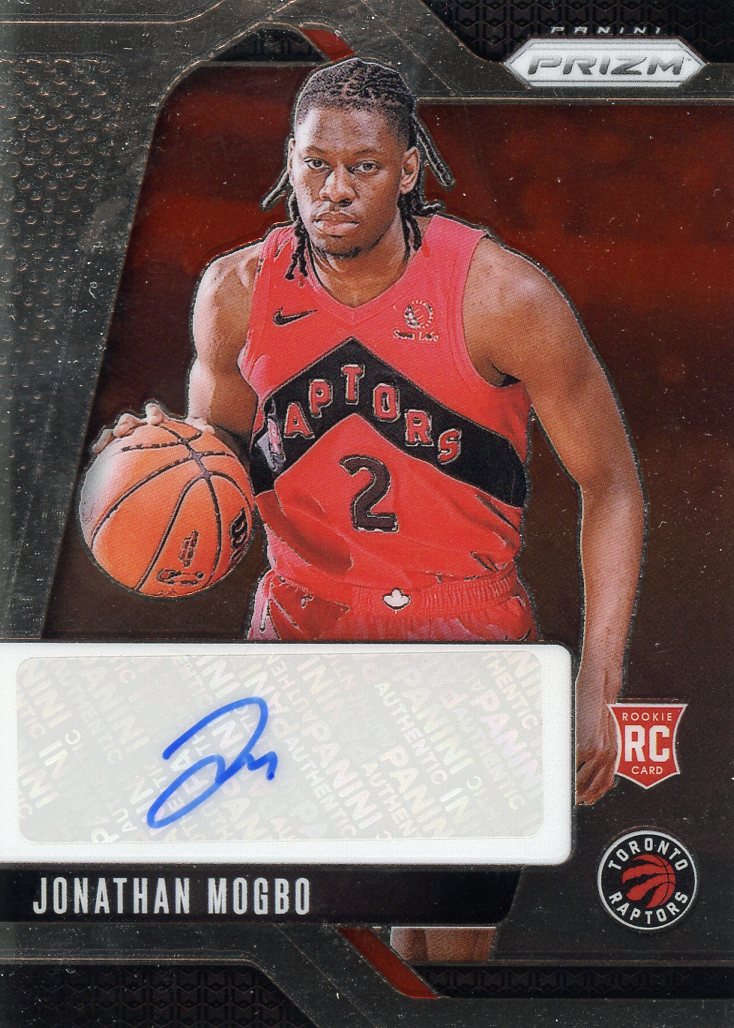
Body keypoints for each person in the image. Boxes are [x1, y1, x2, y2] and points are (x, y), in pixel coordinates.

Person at [94, 58, 644, 961]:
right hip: (302, 629)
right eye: (316, 164)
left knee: (444, 957)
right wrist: (157, 459)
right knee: (327, 957)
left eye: (364, 166)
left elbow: (613, 485)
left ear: (409, 169)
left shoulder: (503, 297)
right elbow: (219, 482)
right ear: (290, 160)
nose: (335, 189)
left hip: (461, 635)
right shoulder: (236, 294)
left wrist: (597, 682)